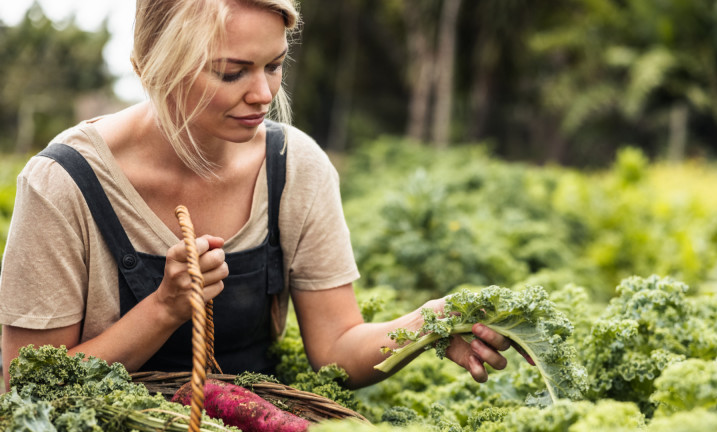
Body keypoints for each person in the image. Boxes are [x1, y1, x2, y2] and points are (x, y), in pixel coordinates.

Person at [0, 0, 519, 392]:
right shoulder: (64, 183)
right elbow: (28, 386)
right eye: (232, 72)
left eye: (273, 65)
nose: (264, 95)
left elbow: (336, 349)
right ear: (153, 67)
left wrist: (427, 324)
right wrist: (162, 309)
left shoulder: (295, 167)